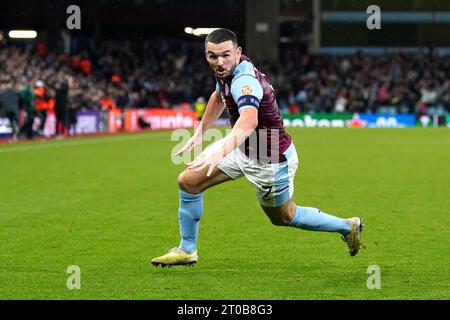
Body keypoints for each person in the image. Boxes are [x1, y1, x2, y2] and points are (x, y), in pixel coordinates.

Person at [151, 29, 364, 267]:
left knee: (284, 217)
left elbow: (249, 119)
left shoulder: (244, 81)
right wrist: (201, 132)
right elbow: (218, 96)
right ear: (206, 55)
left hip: (268, 158)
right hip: (244, 148)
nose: (219, 62)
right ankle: (187, 250)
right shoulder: (227, 71)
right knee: (188, 181)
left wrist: (220, 149)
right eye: (212, 56)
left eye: (225, 55)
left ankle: (347, 226)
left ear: (238, 52)